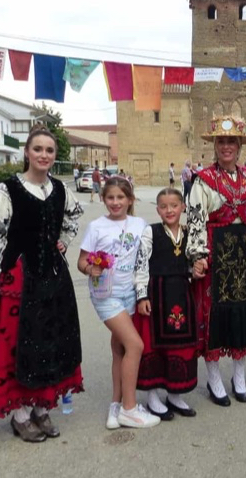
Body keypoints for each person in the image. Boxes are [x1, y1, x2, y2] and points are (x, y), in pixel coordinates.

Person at [0, 125, 84, 443]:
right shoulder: (7, 190)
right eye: (37, 149)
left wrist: (64, 241)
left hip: (52, 277)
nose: (43, 155)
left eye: (49, 150)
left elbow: (73, 216)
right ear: (27, 152)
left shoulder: (61, 189)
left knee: (49, 341)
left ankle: (41, 406)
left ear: (55, 156)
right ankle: (20, 414)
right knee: (18, 344)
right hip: (18, 277)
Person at [187, 116, 246, 406]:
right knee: (214, 316)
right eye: (221, 141)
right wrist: (198, 256)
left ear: (239, 146)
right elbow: (196, 219)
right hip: (216, 252)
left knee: (243, 314)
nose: (226, 147)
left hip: (244, 254)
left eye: (231, 142)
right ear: (214, 145)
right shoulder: (203, 180)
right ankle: (213, 378)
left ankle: (239, 375)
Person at [78, 177, 159, 429]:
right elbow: (81, 262)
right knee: (135, 345)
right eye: (110, 198)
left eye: (120, 198)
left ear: (130, 200)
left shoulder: (139, 224)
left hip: (129, 293)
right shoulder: (96, 227)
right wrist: (91, 268)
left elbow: (146, 257)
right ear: (103, 199)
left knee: (120, 349)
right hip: (106, 295)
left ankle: (116, 404)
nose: (115, 202)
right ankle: (130, 409)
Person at [133, 188, 198, 419]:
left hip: (181, 293)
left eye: (174, 205)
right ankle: (152, 396)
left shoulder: (190, 233)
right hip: (157, 293)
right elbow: (140, 265)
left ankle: (175, 394)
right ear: (157, 209)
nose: (169, 210)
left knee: (180, 345)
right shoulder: (150, 232)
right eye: (163, 206)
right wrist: (142, 296)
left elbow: (192, 264)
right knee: (153, 345)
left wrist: (196, 270)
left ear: (183, 207)